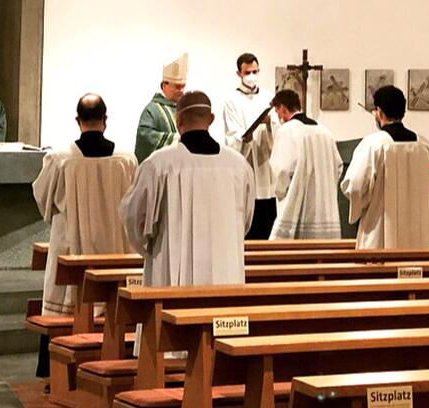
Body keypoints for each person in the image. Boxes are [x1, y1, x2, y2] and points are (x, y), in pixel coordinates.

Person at [31, 94, 135, 378]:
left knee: (65, 308)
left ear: (77, 121)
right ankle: (118, 370)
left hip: (71, 251)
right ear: (105, 119)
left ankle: (61, 375)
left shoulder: (61, 159)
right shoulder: (126, 160)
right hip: (115, 253)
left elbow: (43, 200)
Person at [121, 90, 254, 287]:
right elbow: (246, 220)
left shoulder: (158, 165)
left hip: (170, 275)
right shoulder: (238, 166)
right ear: (211, 119)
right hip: (226, 272)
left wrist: (149, 250)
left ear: (178, 120)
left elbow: (133, 218)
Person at [341, 85, 429, 249]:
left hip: (379, 233)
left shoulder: (374, 144)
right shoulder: (424, 145)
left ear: (379, 112)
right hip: (417, 236)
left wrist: (362, 203)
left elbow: (355, 186)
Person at [268, 89, 342, 239]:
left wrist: (280, 192)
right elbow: (338, 166)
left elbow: (281, 170)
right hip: (325, 211)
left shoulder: (287, 131)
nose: (279, 116)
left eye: (277, 112)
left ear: (282, 108)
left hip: (299, 206)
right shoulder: (325, 131)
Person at [223, 53, 277, 239]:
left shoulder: (270, 98)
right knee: (247, 228)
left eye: (255, 71)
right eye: (248, 72)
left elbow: (279, 132)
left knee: (268, 225)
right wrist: (243, 138)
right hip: (247, 166)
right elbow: (232, 135)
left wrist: (270, 123)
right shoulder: (232, 101)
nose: (252, 76)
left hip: (266, 168)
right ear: (239, 73)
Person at [135, 54, 187, 163]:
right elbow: (144, 136)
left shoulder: (184, 109)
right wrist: (175, 139)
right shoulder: (152, 110)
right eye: (177, 86)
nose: (181, 91)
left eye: (183, 86)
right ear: (164, 86)